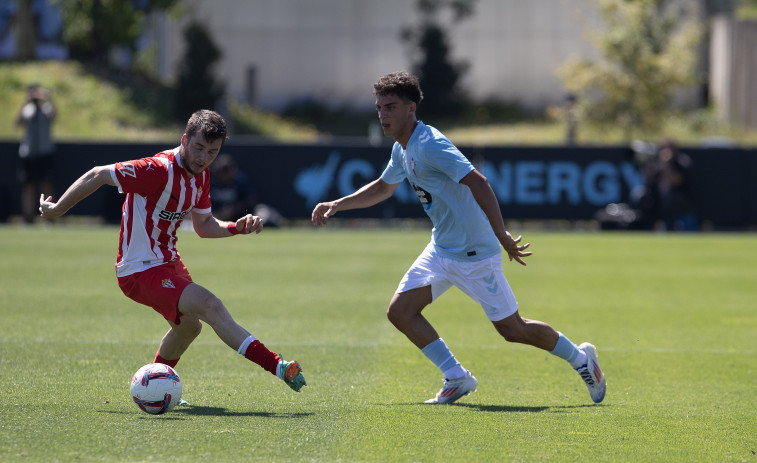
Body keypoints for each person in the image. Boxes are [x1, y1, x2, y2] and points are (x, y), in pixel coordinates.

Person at [311, 72, 605, 404]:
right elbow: (383, 187)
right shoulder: (402, 148)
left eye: (390, 107)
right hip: (441, 248)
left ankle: (582, 359)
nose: (383, 115)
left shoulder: (431, 144)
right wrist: (338, 204)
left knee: (513, 329)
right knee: (400, 311)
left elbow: (478, 182)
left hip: (475, 253)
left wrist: (501, 233)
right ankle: (456, 376)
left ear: (411, 109)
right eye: (379, 108)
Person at [39, 109, 306, 394]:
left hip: (168, 262)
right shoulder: (156, 169)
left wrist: (235, 228)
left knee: (190, 328)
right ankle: (278, 365)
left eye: (212, 152)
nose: (203, 158)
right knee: (210, 305)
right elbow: (99, 174)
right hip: (138, 269)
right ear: (184, 140)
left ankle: (151, 389)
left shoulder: (201, 176)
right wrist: (57, 210)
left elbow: (203, 225)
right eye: (198, 148)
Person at [16, 83, 56, 223]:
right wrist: (24, 102)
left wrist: (47, 98)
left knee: (47, 183)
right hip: (28, 152)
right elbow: (17, 122)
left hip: (45, 151)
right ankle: (28, 217)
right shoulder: (26, 109)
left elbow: (54, 115)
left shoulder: (47, 108)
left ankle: (50, 215)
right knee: (28, 185)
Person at [210, 153, 282, 226]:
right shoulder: (212, 183)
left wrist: (234, 209)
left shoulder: (240, 181)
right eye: (221, 171)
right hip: (217, 217)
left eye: (227, 171)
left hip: (243, 216)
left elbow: (252, 199)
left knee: (263, 211)